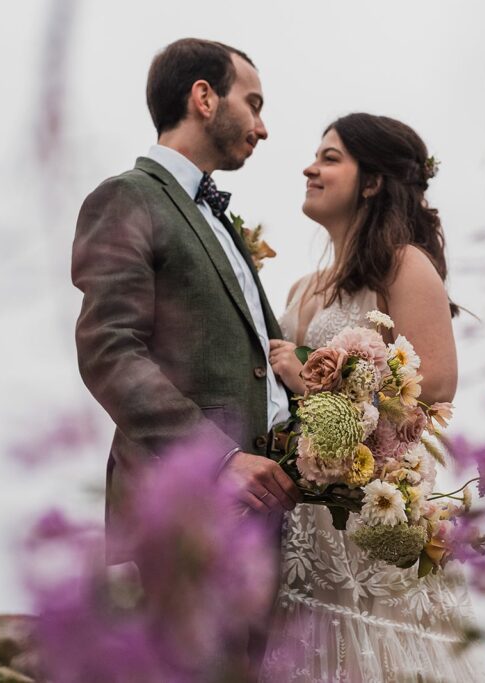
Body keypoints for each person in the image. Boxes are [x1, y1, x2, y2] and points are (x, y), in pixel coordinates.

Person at [71, 37, 301, 667]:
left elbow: (253, 364)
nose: (262, 127)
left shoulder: (221, 219)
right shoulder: (127, 197)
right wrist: (218, 457)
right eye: (252, 104)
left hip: (260, 516)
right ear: (204, 97)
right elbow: (107, 348)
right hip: (183, 513)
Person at [261, 113, 485, 681]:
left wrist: (306, 378)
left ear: (371, 181)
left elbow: (436, 384)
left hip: (377, 515)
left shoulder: (403, 265)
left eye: (330, 157)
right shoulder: (301, 290)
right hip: (310, 521)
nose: (309, 168)